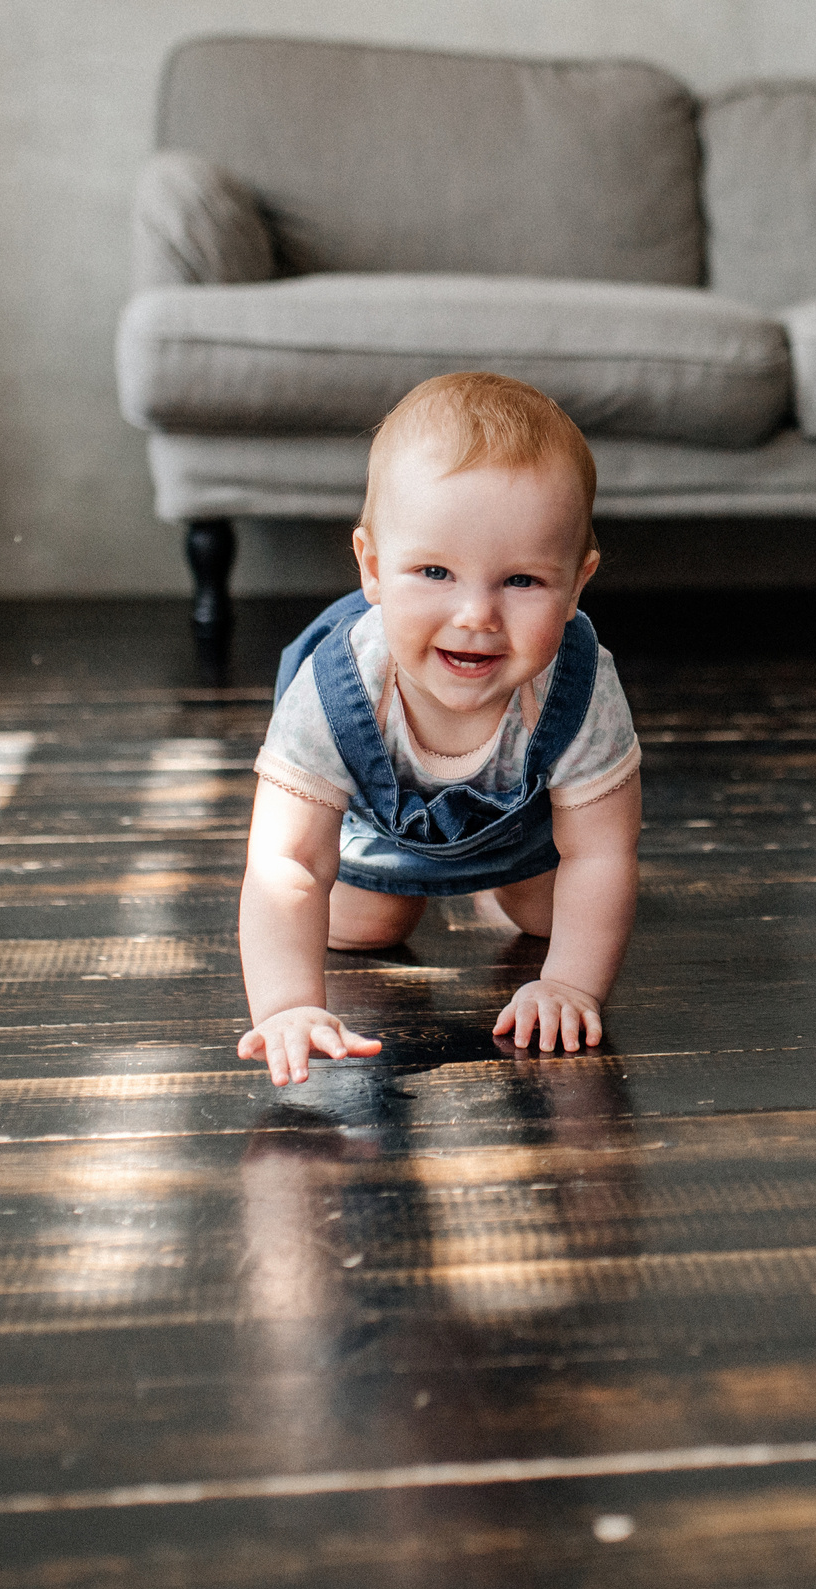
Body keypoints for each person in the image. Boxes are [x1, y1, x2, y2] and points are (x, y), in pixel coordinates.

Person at [237, 372, 641, 1086]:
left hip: (525, 830)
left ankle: (496, 882)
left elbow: (604, 851)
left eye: (521, 581)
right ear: (372, 567)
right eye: (434, 571)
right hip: (373, 825)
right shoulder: (334, 689)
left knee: (555, 918)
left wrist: (571, 986)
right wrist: (288, 1005)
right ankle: (411, 888)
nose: (475, 615)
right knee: (365, 928)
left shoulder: (579, 686)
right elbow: (286, 862)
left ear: (577, 584)